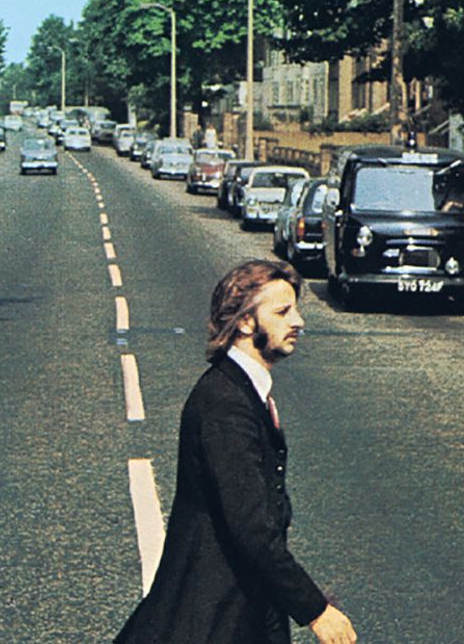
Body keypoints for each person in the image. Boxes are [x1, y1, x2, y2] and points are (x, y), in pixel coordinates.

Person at [114, 260, 357, 644]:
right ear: (245, 322)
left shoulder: (243, 393)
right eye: (282, 312)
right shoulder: (224, 404)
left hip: (243, 613)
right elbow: (251, 527)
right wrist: (316, 611)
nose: (298, 322)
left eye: (295, 309)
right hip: (211, 619)